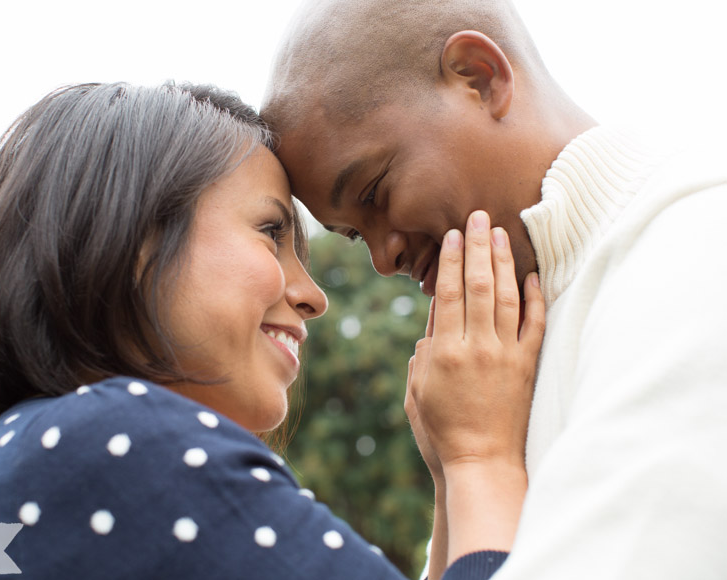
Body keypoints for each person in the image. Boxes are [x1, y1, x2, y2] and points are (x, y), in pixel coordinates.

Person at [0, 82, 544, 579]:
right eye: (271, 233)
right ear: (133, 243)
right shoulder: (115, 445)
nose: (312, 296)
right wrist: (479, 455)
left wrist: (450, 476)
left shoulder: (42, 457)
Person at [261, 0, 727, 579]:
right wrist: (457, 476)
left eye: (376, 191)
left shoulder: (698, 243)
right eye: (355, 237)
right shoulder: (500, 362)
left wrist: (476, 462)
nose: (384, 260)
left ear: (480, 77)